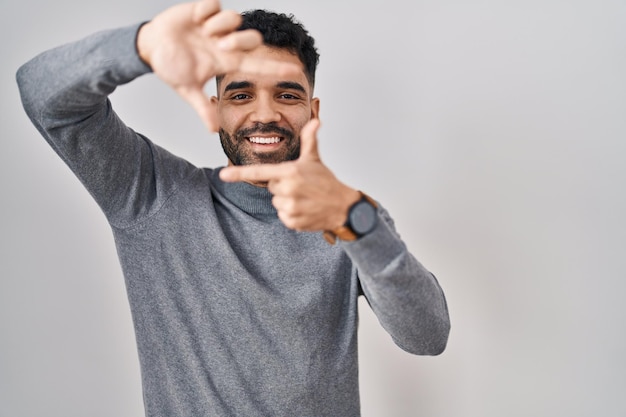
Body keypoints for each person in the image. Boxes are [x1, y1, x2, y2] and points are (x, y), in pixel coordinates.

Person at [16, 0, 450, 415]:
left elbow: (428, 336)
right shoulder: (149, 191)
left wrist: (359, 222)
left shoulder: (348, 214)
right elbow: (41, 92)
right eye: (241, 95)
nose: (265, 114)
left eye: (287, 95)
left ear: (312, 111)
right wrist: (141, 46)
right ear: (216, 108)